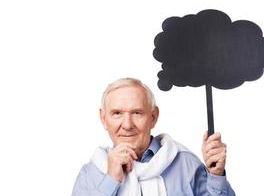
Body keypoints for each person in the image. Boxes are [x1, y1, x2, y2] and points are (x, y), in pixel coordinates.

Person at [72, 78, 235, 196]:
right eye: (117, 113)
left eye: (137, 113)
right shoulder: (91, 174)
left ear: (153, 117)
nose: (127, 125)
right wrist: (111, 179)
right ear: (103, 119)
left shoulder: (186, 165)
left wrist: (216, 174)